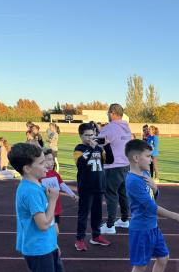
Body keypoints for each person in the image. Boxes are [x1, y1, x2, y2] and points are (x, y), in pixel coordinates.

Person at [3, 143, 75, 272]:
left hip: (47, 246)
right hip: (37, 248)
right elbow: (43, 223)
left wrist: (54, 244)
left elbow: (47, 225)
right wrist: (53, 200)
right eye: (42, 163)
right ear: (27, 168)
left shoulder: (35, 186)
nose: (47, 166)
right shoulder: (31, 191)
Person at [124, 139, 179, 272]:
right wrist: (176, 216)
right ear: (136, 158)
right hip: (141, 229)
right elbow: (151, 207)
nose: (151, 159)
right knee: (140, 266)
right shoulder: (133, 181)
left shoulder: (145, 176)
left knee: (163, 258)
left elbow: (153, 198)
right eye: (148, 156)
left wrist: (155, 189)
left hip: (152, 227)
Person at [74, 122, 114, 250]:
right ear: (81, 136)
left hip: (99, 185)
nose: (90, 138)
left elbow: (110, 160)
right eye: (87, 135)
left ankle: (96, 236)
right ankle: (79, 239)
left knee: (97, 213)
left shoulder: (98, 148)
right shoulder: (79, 148)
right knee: (83, 214)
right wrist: (91, 148)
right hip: (86, 186)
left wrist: (106, 145)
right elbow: (80, 163)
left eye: (92, 135)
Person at [98, 103, 132, 235]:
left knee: (111, 194)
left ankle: (110, 225)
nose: (107, 115)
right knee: (123, 193)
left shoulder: (111, 127)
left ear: (112, 113)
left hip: (113, 166)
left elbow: (98, 142)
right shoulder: (126, 127)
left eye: (108, 113)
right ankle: (124, 219)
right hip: (125, 165)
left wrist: (97, 132)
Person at [40, 149, 77, 236]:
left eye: (52, 159)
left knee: (54, 231)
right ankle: (51, 246)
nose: (52, 162)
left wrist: (72, 194)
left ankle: (52, 245)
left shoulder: (55, 174)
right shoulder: (39, 175)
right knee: (51, 231)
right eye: (49, 159)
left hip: (55, 207)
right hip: (45, 208)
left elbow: (62, 185)